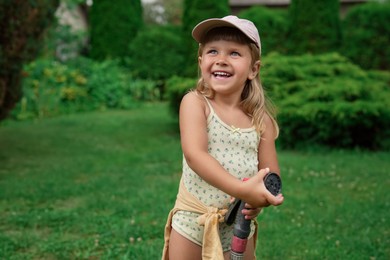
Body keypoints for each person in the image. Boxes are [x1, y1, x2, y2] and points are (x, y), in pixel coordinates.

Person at [162, 15, 284, 260]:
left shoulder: (262, 121)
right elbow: (196, 155)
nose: (221, 60)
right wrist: (242, 189)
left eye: (234, 54)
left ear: (253, 69)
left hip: (239, 226)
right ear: (201, 62)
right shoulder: (196, 104)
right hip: (194, 222)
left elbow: (271, 175)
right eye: (213, 51)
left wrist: (261, 199)